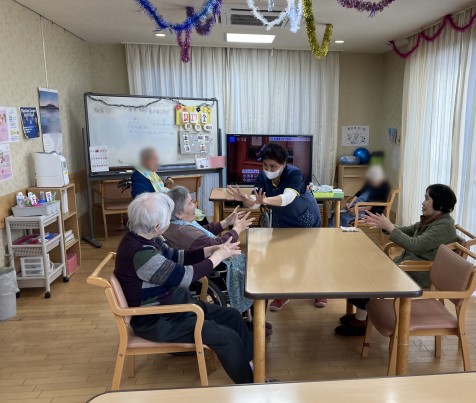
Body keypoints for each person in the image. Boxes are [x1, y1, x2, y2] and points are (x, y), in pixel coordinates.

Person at [114, 192, 254, 384]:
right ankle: (249, 384)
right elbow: (185, 277)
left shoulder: (146, 238)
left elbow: (175, 256)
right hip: (157, 320)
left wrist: (209, 251)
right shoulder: (141, 254)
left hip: (174, 307)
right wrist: (217, 257)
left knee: (233, 316)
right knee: (227, 337)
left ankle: (252, 367)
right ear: (156, 226)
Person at [335, 184, 459, 336]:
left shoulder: (444, 226)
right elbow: (407, 230)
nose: (423, 202)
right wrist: (385, 225)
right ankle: (362, 315)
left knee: (368, 276)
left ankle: (360, 321)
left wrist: (390, 227)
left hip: (418, 273)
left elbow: (416, 245)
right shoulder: (433, 220)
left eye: (427, 199)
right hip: (407, 267)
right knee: (363, 269)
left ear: (439, 203)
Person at [162, 187, 275, 336]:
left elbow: (205, 231)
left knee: (257, 265)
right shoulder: (181, 231)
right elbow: (218, 244)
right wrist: (237, 229)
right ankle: (256, 322)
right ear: (179, 214)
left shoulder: (179, 224)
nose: (194, 204)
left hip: (215, 260)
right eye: (190, 203)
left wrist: (227, 221)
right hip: (215, 268)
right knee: (260, 273)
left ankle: (255, 320)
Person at [227, 142, 326, 311]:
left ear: (284, 164)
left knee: (309, 255)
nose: (268, 169)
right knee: (280, 256)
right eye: (265, 165)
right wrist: (246, 200)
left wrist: (264, 200)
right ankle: (283, 293)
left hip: (305, 217)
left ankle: (320, 290)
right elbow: (255, 203)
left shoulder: (294, 173)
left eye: (273, 166)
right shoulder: (262, 178)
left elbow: (287, 198)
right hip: (282, 218)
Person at [131, 147, 207, 223]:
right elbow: (140, 198)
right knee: (196, 216)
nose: (157, 162)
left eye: (157, 159)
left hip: (167, 204)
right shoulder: (139, 176)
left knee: (197, 213)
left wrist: (165, 184)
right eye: (154, 160)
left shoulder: (150, 173)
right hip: (160, 210)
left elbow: (156, 188)